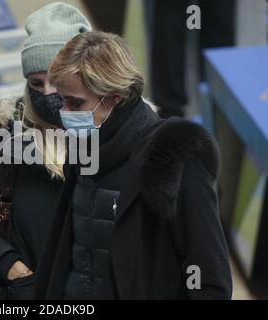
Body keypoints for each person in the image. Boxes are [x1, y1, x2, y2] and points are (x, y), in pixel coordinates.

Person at [36, 31, 232, 299]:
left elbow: (210, 280)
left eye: (76, 103)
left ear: (114, 97)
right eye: (63, 101)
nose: (65, 113)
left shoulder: (174, 156)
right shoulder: (82, 151)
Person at [0, 2, 92, 299]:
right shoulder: (9, 138)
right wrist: (12, 268)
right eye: (36, 83)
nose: (48, 94)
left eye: (57, 80)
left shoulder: (124, 139)